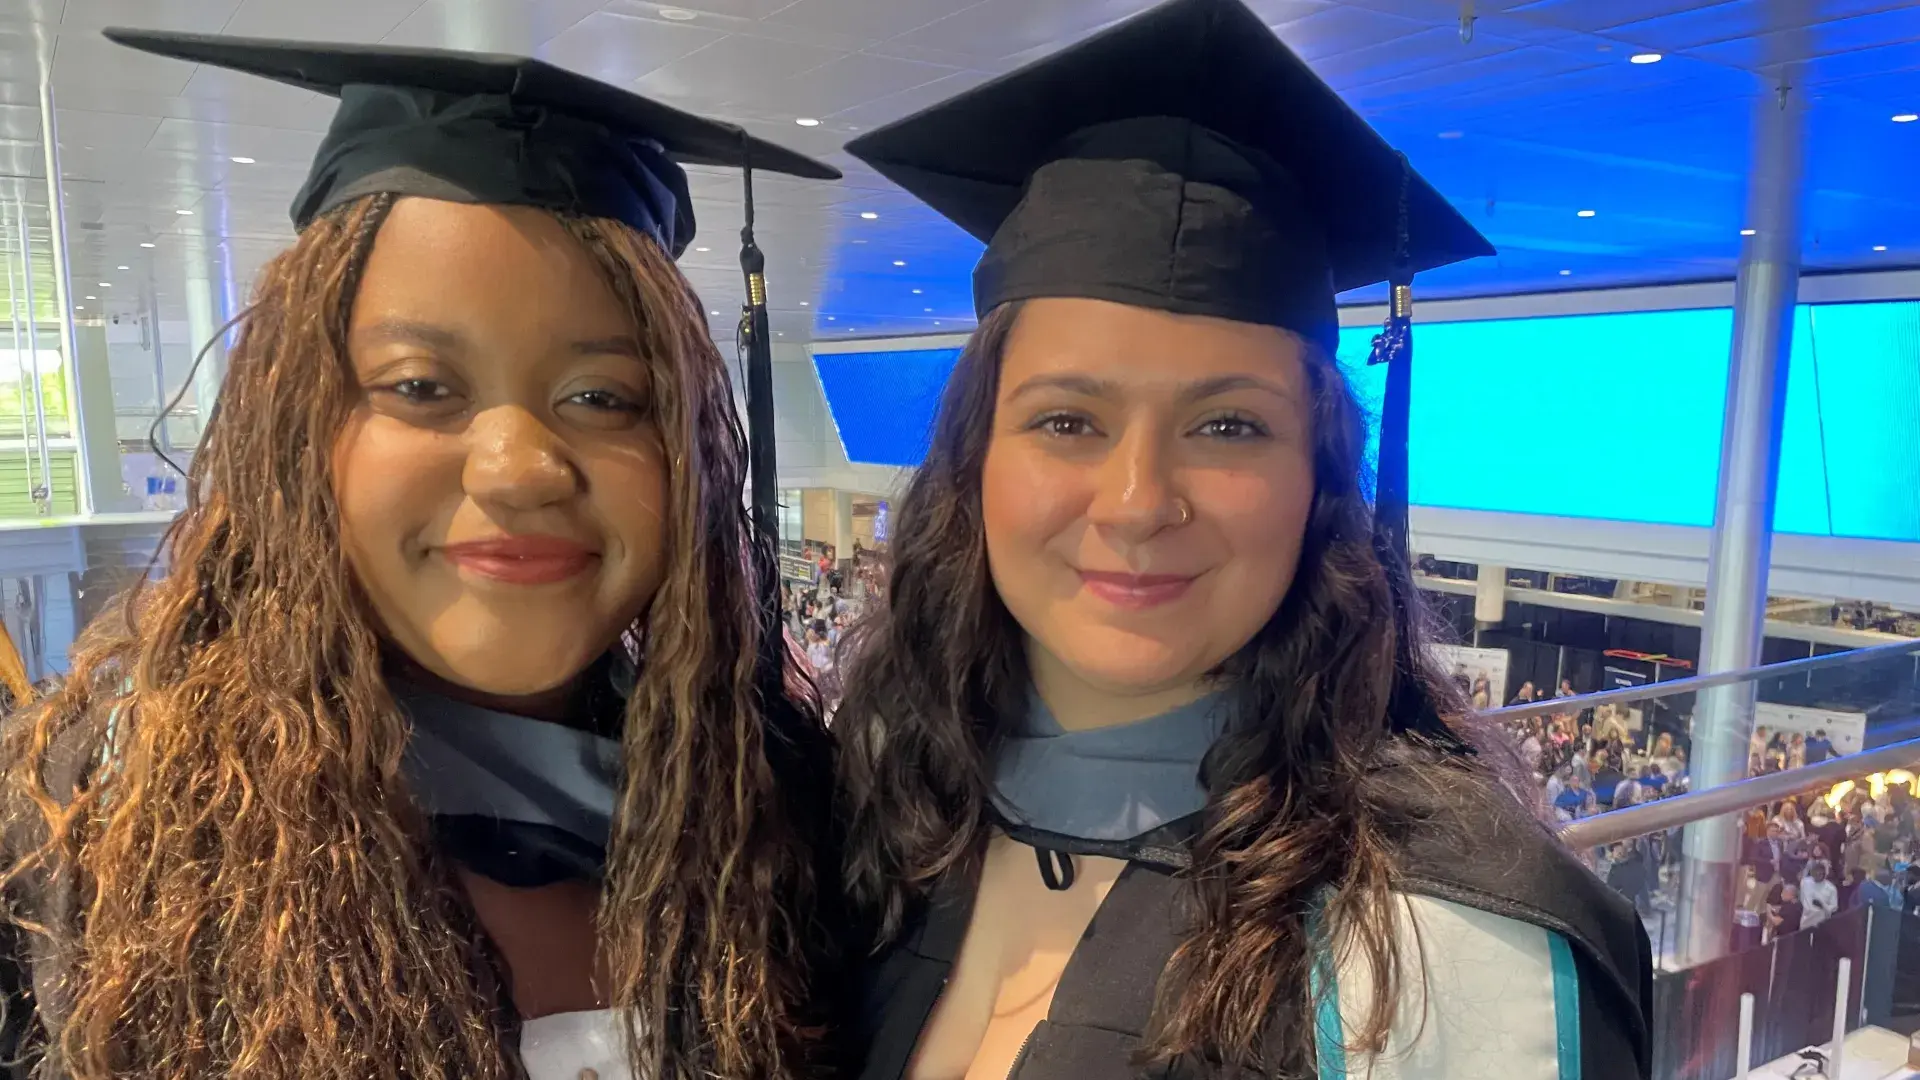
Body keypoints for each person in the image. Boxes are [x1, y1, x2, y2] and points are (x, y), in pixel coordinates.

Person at [0, 30, 844, 1080]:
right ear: (298, 429)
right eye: (419, 387)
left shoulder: (779, 827)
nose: (518, 466)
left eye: (602, 397)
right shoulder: (82, 837)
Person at [835, 3, 1652, 1077]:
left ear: (1319, 480)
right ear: (972, 461)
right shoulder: (873, 814)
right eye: (1066, 420)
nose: (1137, 502)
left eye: (1229, 425)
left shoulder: (1441, 943)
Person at [1800, 862, 1839, 929]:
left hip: (1822, 922)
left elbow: (1834, 907)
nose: (1817, 875)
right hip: (1806, 921)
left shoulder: (1831, 888)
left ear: (1824, 874)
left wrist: (1823, 905)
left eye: (1820, 874)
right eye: (1815, 873)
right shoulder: (1805, 882)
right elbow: (1802, 898)